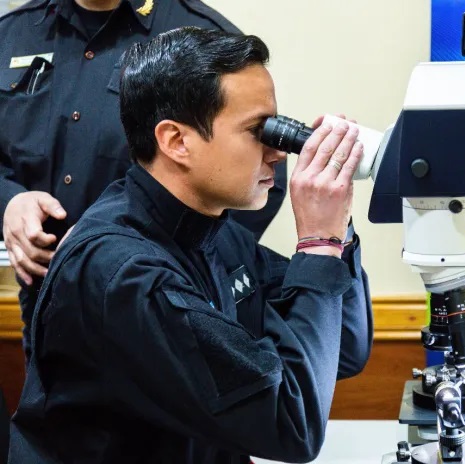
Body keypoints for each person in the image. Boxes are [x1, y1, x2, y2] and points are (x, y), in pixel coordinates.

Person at [9, 27, 373, 463]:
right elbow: (291, 426)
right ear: (176, 141)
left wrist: (338, 229)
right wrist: (318, 242)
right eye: (258, 130)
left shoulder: (213, 234)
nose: (278, 153)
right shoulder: (122, 275)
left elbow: (343, 351)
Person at [0, 0, 287, 353]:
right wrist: (9, 202)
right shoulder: (10, 33)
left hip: (161, 302)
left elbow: (259, 171)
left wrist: (130, 246)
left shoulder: (199, 35)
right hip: (46, 295)